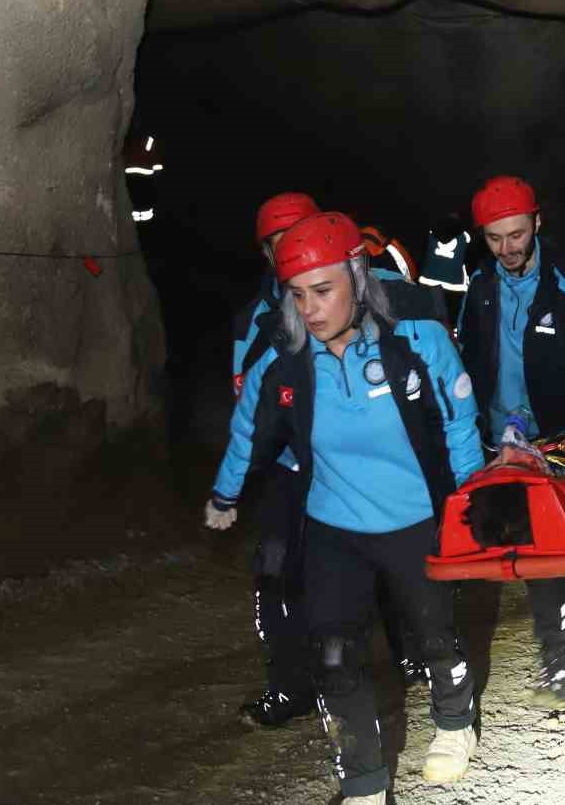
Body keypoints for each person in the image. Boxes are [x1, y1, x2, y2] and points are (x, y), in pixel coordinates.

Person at [206, 212, 484, 804]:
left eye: (322, 291)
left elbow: (460, 422)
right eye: (296, 294)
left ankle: (455, 721)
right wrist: (225, 494)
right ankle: (363, 782)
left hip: (414, 521)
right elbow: (248, 427)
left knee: (434, 636)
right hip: (334, 528)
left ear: (357, 277)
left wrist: (469, 503)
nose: (309, 309)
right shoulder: (285, 357)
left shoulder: (416, 339)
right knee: (333, 656)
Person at [457, 174, 565, 706]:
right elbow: (467, 358)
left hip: (562, 438)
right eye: (494, 238)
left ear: (537, 223)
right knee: (532, 549)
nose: (507, 248)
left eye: (517, 235)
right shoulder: (480, 286)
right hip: (502, 441)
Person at [228, 191, 323, 728]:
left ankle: (409, 655)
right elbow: (248, 400)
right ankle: (290, 685)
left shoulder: (358, 302)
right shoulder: (256, 322)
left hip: (352, 466)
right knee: (277, 572)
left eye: (301, 238)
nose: (291, 252)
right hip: (287, 471)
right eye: (279, 244)